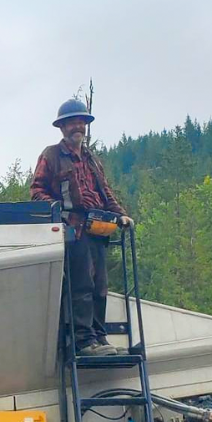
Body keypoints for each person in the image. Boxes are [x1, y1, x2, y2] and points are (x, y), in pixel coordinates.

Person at [31, 98, 134, 357]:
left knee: (100, 286)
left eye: (82, 122)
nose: (78, 126)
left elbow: (106, 192)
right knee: (82, 285)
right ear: (62, 127)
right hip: (73, 230)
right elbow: (37, 191)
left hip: (99, 228)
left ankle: (100, 338)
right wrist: (58, 213)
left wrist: (120, 215)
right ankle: (83, 342)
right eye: (72, 122)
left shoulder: (92, 160)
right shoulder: (51, 155)